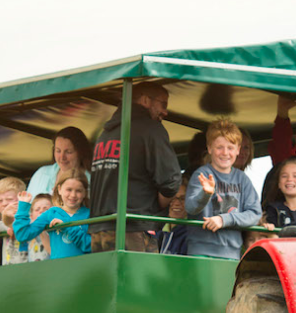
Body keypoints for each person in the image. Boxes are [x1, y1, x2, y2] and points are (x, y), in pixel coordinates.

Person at [88, 83, 181, 252]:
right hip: (133, 228)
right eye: (163, 104)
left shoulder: (104, 135)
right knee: (139, 279)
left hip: (98, 231)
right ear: (145, 100)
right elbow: (171, 182)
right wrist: (159, 207)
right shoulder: (151, 129)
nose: (165, 112)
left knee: (107, 279)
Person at [184, 120, 262, 261]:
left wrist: (224, 219)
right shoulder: (201, 174)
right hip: (200, 251)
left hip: (232, 254)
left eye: (230, 148)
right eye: (219, 147)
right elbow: (190, 207)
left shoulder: (242, 179)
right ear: (209, 148)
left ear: (238, 149)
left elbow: (255, 213)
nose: (225, 153)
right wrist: (205, 194)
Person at [15, 175, 91, 259]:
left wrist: (68, 227)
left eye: (78, 191)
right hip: (58, 268)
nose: (73, 195)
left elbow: (92, 246)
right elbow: (22, 235)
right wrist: (23, 207)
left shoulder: (89, 214)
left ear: (85, 193)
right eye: (69, 190)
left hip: (83, 268)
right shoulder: (52, 213)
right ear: (59, 190)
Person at [27, 127, 92, 197]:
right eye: (58, 151)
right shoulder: (41, 173)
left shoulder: (91, 181)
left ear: (80, 153)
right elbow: (26, 204)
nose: (62, 157)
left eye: (68, 152)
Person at [157, 174, 191, 256]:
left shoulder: (191, 235)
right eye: (173, 198)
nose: (176, 203)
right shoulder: (158, 230)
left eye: (182, 198)